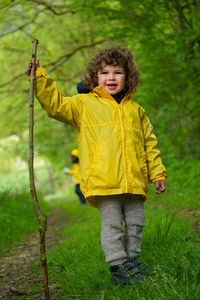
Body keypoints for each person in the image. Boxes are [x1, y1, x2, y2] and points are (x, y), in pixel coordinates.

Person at [27, 45, 167, 286]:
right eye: (104, 73)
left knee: (135, 223)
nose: (111, 78)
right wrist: (39, 78)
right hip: (103, 180)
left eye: (117, 72)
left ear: (128, 76)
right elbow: (55, 105)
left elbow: (149, 145)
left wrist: (157, 173)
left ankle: (132, 260)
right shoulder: (83, 104)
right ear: (94, 77)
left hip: (134, 179)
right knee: (113, 225)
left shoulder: (136, 110)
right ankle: (119, 267)